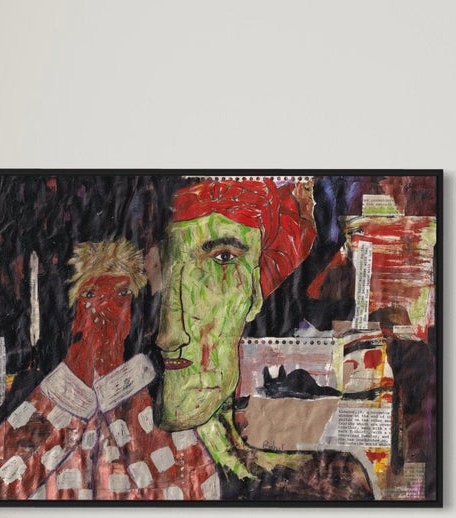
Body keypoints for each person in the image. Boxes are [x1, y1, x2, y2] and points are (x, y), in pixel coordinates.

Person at [156, 178, 373, 499]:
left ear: (255, 293)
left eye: (222, 260)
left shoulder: (327, 483)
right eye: (166, 264)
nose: (170, 334)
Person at [0, 240, 218, 502]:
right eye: (90, 295)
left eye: (122, 295)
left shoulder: (157, 400)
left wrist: (121, 385)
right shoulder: (43, 400)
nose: (106, 307)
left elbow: (195, 489)